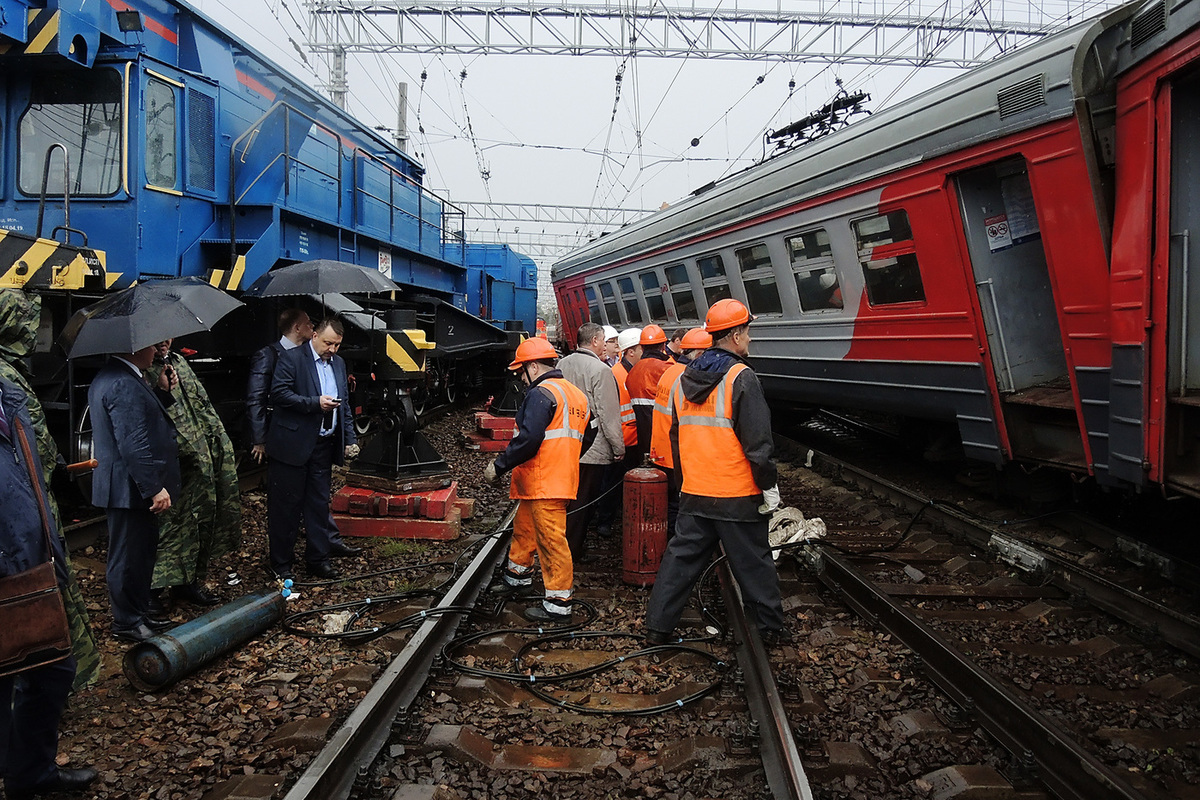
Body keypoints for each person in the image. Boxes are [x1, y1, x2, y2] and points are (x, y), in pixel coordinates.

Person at [645, 299, 787, 646]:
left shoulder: (683, 378)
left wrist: (683, 483)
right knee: (754, 563)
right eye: (748, 332)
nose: (750, 339)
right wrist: (768, 485)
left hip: (696, 492)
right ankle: (769, 629)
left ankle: (657, 627)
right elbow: (758, 443)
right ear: (736, 334)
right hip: (737, 494)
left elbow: (676, 438)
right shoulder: (742, 378)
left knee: (680, 561)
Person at [0, 377, 98, 799]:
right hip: (7, 564)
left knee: (53, 669)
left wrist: (48, 548)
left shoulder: (8, 394)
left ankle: (31, 775)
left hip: (32, 560)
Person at [0, 290, 100, 690]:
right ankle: (58, 675)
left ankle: (66, 671)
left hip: (33, 498)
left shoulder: (9, 372)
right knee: (43, 586)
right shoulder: (6, 377)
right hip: (28, 504)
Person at [484, 338, 591, 622]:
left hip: (544, 481)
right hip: (551, 480)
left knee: (551, 542)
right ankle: (517, 577)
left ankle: (558, 604)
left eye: (521, 370)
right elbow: (588, 436)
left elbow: (528, 438)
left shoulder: (541, 393)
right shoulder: (576, 395)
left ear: (533, 366)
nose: (520, 377)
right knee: (526, 531)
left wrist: (499, 465)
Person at [246, 309, 361, 559]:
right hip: (291, 447)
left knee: (319, 506)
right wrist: (314, 403)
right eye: (328, 343)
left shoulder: (339, 364)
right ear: (315, 335)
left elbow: (346, 406)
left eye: (337, 345)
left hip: (322, 446)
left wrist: (350, 438)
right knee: (285, 510)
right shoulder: (291, 358)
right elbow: (278, 394)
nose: (332, 349)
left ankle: (318, 559)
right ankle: (281, 563)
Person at [89, 345, 181, 643]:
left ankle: (138, 613)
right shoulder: (122, 383)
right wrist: (153, 488)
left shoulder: (122, 376)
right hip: (129, 487)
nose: (156, 350)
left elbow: (143, 419)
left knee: (140, 553)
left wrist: (162, 391)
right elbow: (133, 443)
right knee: (129, 557)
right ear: (134, 348)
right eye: (152, 345)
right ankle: (128, 621)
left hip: (129, 486)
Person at [145, 340, 242, 613]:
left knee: (196, 522)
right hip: (171, 464)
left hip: (199, 459)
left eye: (169, 334)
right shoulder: (142, 370)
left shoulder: (178, 362)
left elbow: (202, 408)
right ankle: (153, 592)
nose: (164, 340)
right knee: (168, 529)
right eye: (158, 335)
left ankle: (186, 583)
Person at [557, 322, 625, 562]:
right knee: (583, 502)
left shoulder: (562, 364)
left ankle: (560, 546)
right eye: (604, 340)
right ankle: (571, 552)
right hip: (591, 448)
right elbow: (608, 413)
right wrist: (618, 448)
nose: (606, 346)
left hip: (564, 445)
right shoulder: (601, 370)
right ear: (595, 341)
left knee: (566, 500)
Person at [648, 327, 712, 540]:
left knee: (666, 505)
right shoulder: (687, 378)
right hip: (675, 454)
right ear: (700, 354)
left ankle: (664, 544)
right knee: (677, 506)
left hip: (659, 449)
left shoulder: (670, 372)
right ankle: (672, 547)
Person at [246, 308, 313, 464]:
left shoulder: (308, 355)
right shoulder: (268, 355)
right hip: (279, 431)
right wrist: (259, 439)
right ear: (297, 328)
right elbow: (256, 397)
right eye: (308, 323)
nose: (312, 326)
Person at [595, 327, 641, 534]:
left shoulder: (633, 372)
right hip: (620, 441)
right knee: (611, 484)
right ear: (630, 351)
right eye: (642, 348)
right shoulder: (615, 374)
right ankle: (604, 522)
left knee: (619, 484)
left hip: (632, 440)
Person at [625, 324, 675, 457]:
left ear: (641, 347)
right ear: (663, 346)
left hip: (642, 440)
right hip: (666, 440)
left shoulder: (631, 373)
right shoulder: (667, 369)